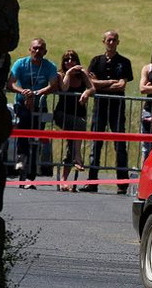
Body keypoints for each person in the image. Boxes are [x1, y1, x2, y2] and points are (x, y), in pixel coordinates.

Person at [80, 30, 134, 194]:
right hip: (100, 107)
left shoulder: (124, 62)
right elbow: (91, 83)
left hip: (117, 108)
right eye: (109, 40)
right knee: (96, 144)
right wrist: (110, 82)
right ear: (103, 41)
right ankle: (92, 182)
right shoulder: (96, 61)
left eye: (114, 40)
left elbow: (122, 85)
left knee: (120, 145)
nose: (111, 42)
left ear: (118, 42)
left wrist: (101, 84)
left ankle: (122, 184)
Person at [6, 37, 60, 188]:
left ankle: (31, 176)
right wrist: (24, 92)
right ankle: (21, 162)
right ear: (30, 49)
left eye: (40, 49)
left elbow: (53, 84)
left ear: (45, 51)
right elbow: (11, 83)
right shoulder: (20, 63)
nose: (37, 51)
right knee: (23, 133)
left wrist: (35, 93)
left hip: (40, 105)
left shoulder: (49, 66)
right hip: (21, 104)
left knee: (36, 139)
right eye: (35, 48)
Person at [53, 50, 94, 191]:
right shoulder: (61, 75)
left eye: (72, 59)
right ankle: (78, 156)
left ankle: (64, 181)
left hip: (78, 114)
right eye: (66, 60)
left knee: (71, 142)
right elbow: (64, 88)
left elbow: (92, 87)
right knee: (79, 125)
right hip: (63, 114)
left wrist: (86, 92)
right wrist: (69, 73)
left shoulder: (83, 75)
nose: (69, 61)